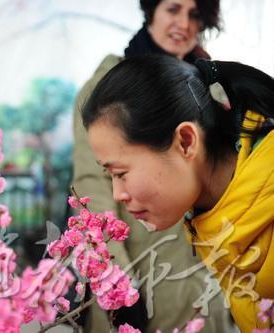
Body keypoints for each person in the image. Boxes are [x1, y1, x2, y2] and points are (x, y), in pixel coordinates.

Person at [72, 0, 236, 332]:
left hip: (211, 272)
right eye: (173, 9)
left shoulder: (212, 86)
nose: (184, 23)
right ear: (151, 12)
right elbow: (94, 187)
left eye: (195, 15)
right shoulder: (110, 85)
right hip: (145, 267)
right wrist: (116, 283)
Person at [82, 53, 274, 332]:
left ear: (185, 142)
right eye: (110, 176)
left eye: (121, 173)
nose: (117, 195)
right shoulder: (219, 226)